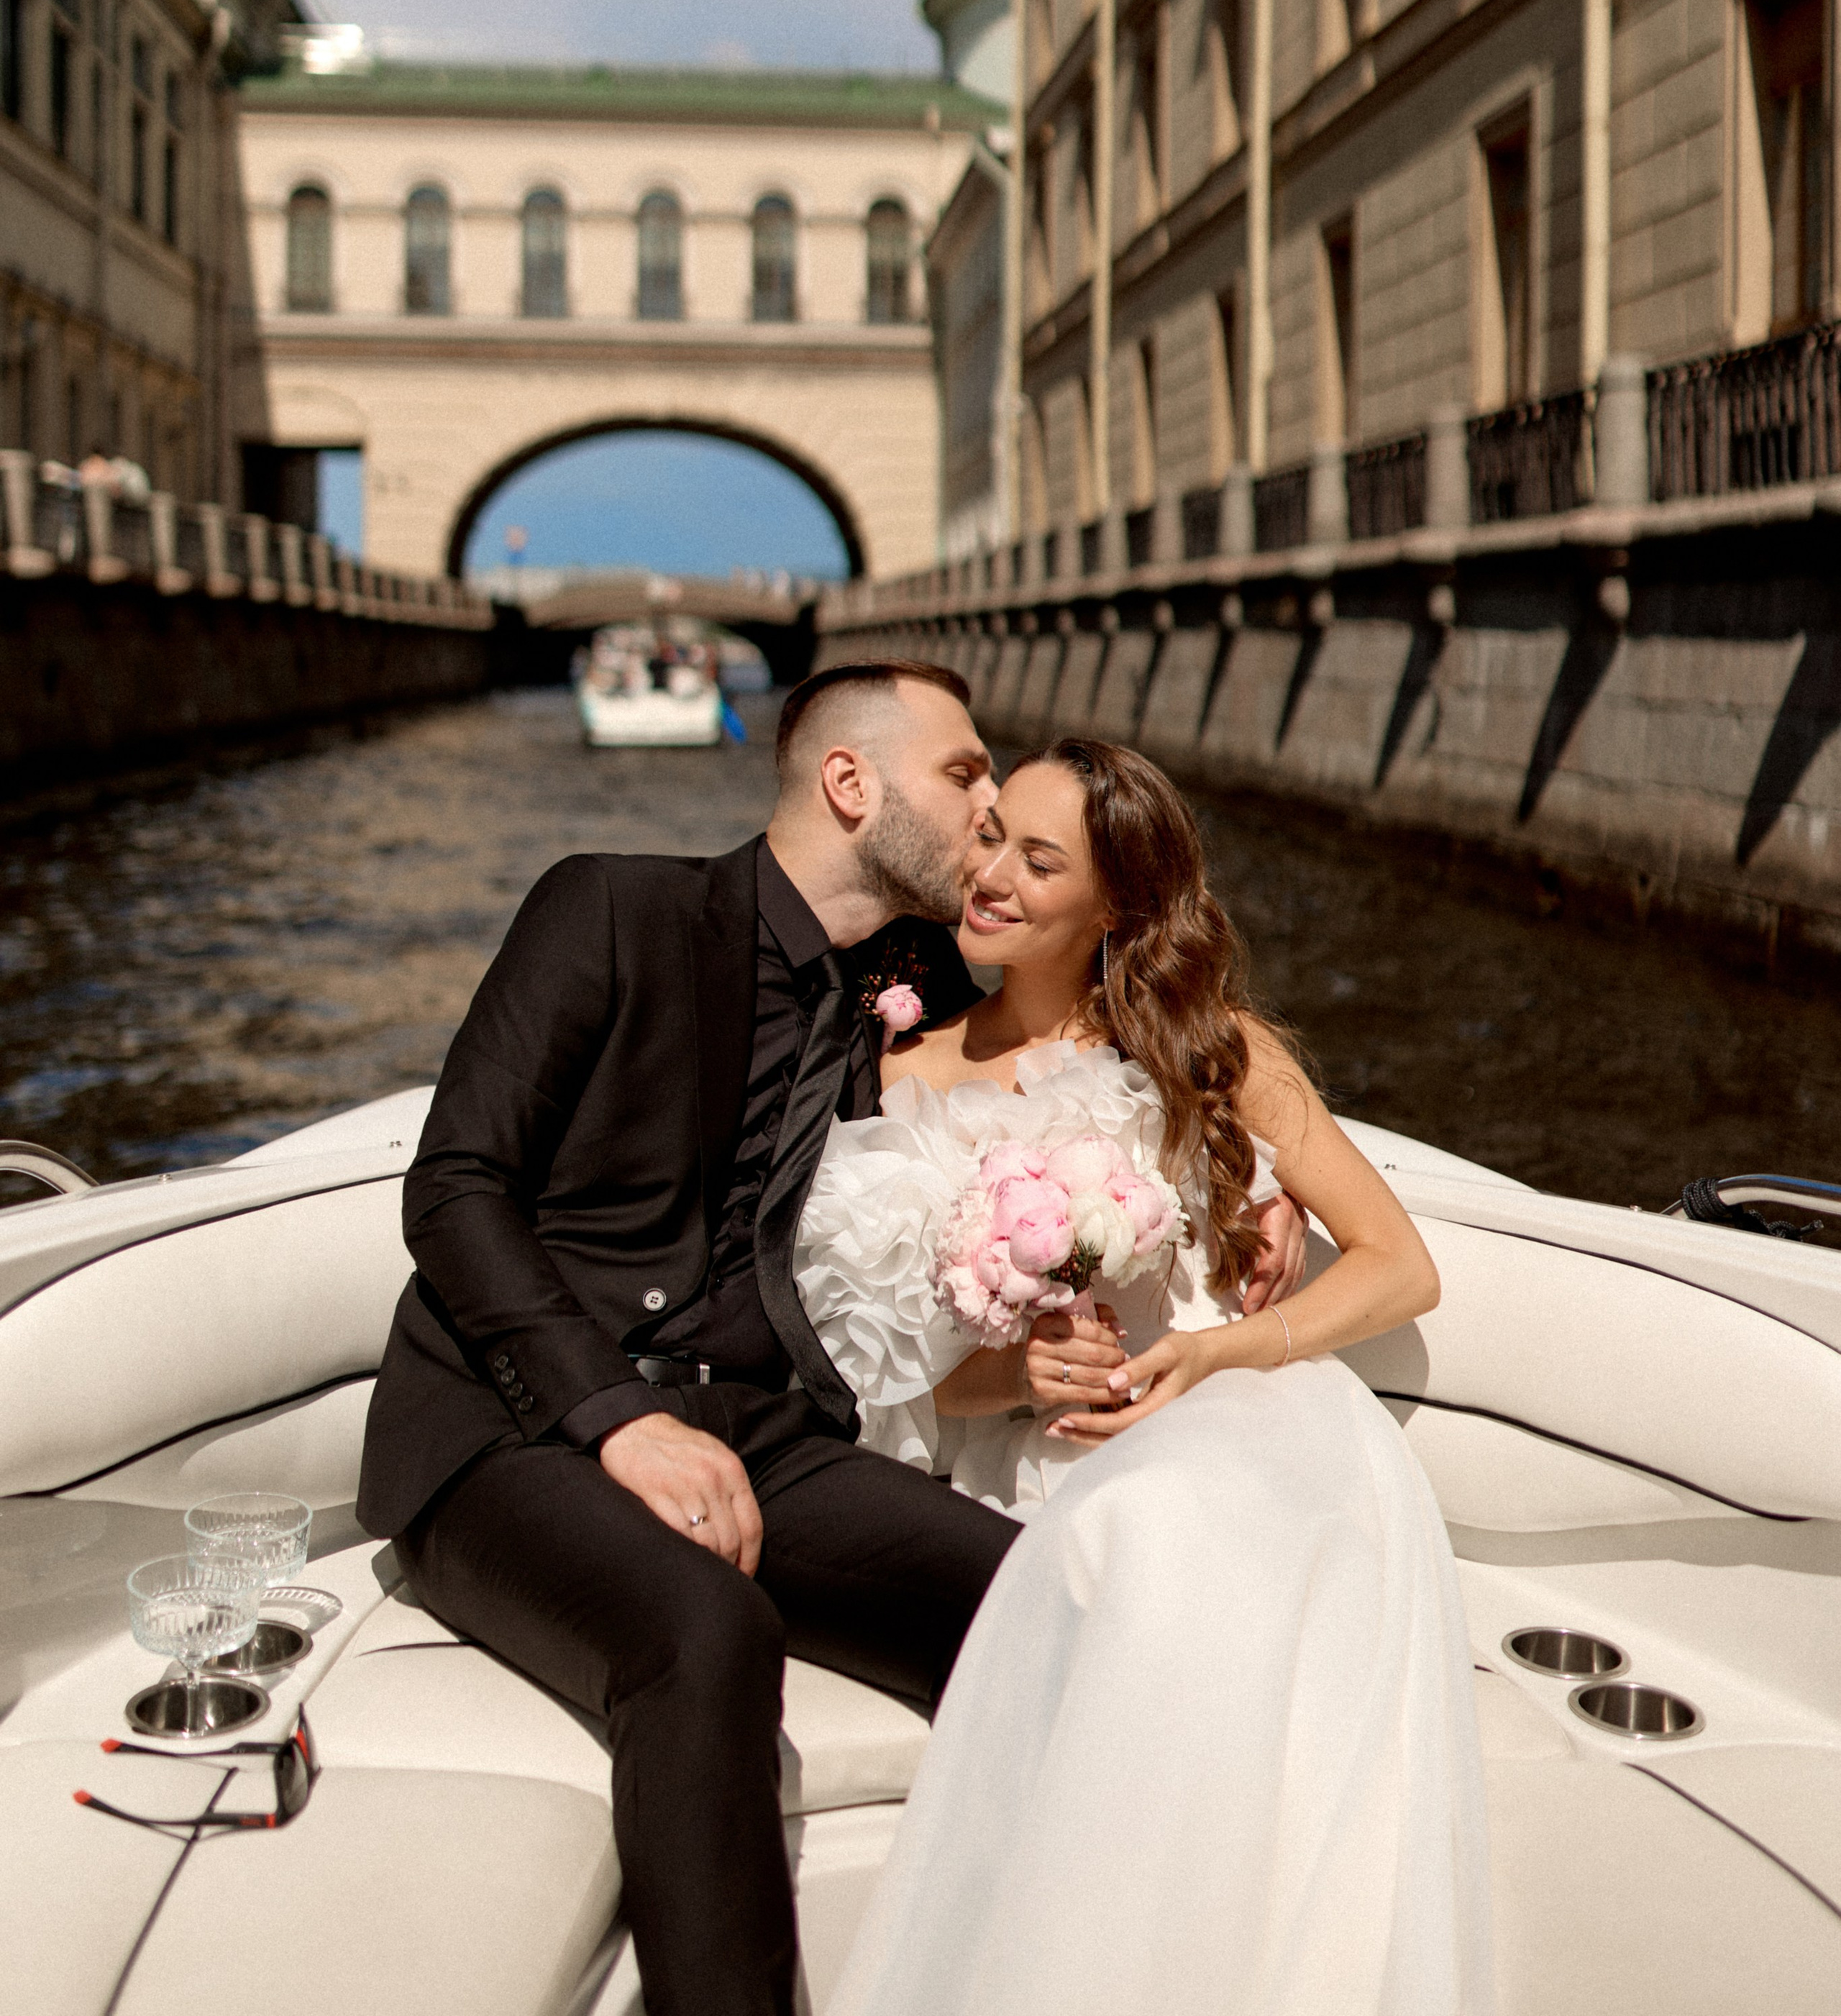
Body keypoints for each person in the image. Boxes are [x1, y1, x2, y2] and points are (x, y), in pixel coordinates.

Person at [355, 658, 1316, 2016]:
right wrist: (618, 1423)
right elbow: (453, 1192)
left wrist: (1257, 1192)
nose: (991, 809)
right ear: (850, 787)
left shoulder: (912, 974)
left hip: (763, 1422)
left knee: (1058, 1608)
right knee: (706, 1630)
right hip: (513, 1431)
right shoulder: (611, 907)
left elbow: (1105, 1015)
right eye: (966, 773)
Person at [795, 737, 1494, 2016]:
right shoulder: (898, 1074)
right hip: (1023, 1463)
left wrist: (1225, 1343)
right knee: (1119, 1541)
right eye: (992, 832)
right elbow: (891, 1374)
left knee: (1160, 1532)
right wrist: (1010, 1373)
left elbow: (1400, 1267)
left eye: (1037, 859)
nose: (990, 873)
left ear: (1112, 907)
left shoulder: (1211, 1051)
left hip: (1241, 1420)